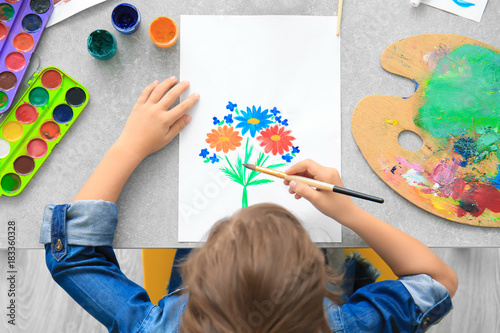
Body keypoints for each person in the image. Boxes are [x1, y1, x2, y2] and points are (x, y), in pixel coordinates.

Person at [40, 77, 458, 333]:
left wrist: (129, 146)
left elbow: (72, 256)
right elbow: (437, 282)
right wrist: (348, 211)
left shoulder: (156, 327)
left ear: (198, 276)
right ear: (321, 283)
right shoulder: (349, 325)